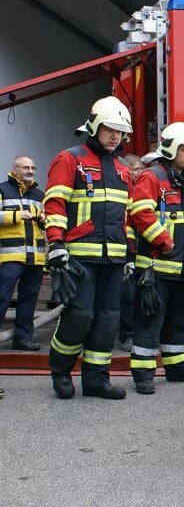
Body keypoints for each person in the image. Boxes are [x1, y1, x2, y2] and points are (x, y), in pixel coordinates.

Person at [44, 96, 132, 400]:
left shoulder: (122, 169)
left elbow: (127, 216)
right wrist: (56, 244)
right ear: (94, 126)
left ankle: (96, 379)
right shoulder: (70, 159)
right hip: (80, 256)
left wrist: (130, 254)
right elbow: (55, 204)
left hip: (113, 259)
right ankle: (61, 370)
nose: (114, 136)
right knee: (79, 316)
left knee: (108, 320)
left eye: (120, 131)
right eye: (109, 128)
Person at [128, 122, 184, 394]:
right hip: (157, 268)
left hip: (183, 267)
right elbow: (140, 213)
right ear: (171, 148)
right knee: (151, 320)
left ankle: (176, 367)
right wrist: (165, 241)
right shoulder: (152, 177)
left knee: (178, 319)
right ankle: (143, 373)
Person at [0, 155, 46, 351]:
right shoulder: (3, 189)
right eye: (26, 167)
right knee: (2, 297)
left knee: (29, 299)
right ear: (15, 169)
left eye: (33, 168)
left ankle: (23, 339)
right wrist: (17, 215)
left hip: (35, 256)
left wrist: (45, 219)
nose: (30, 171)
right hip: (9, 255)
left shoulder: (39, 194)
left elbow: (47, 221)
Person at [119, 154, 145, 352]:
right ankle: (127, 335)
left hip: (143, 251)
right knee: (128, 296)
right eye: (134, 169)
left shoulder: (146, 190)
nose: (138, 173)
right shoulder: (120, 190)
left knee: (143, 294)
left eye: (139, 168)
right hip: (125, 252)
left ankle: (141, 334)